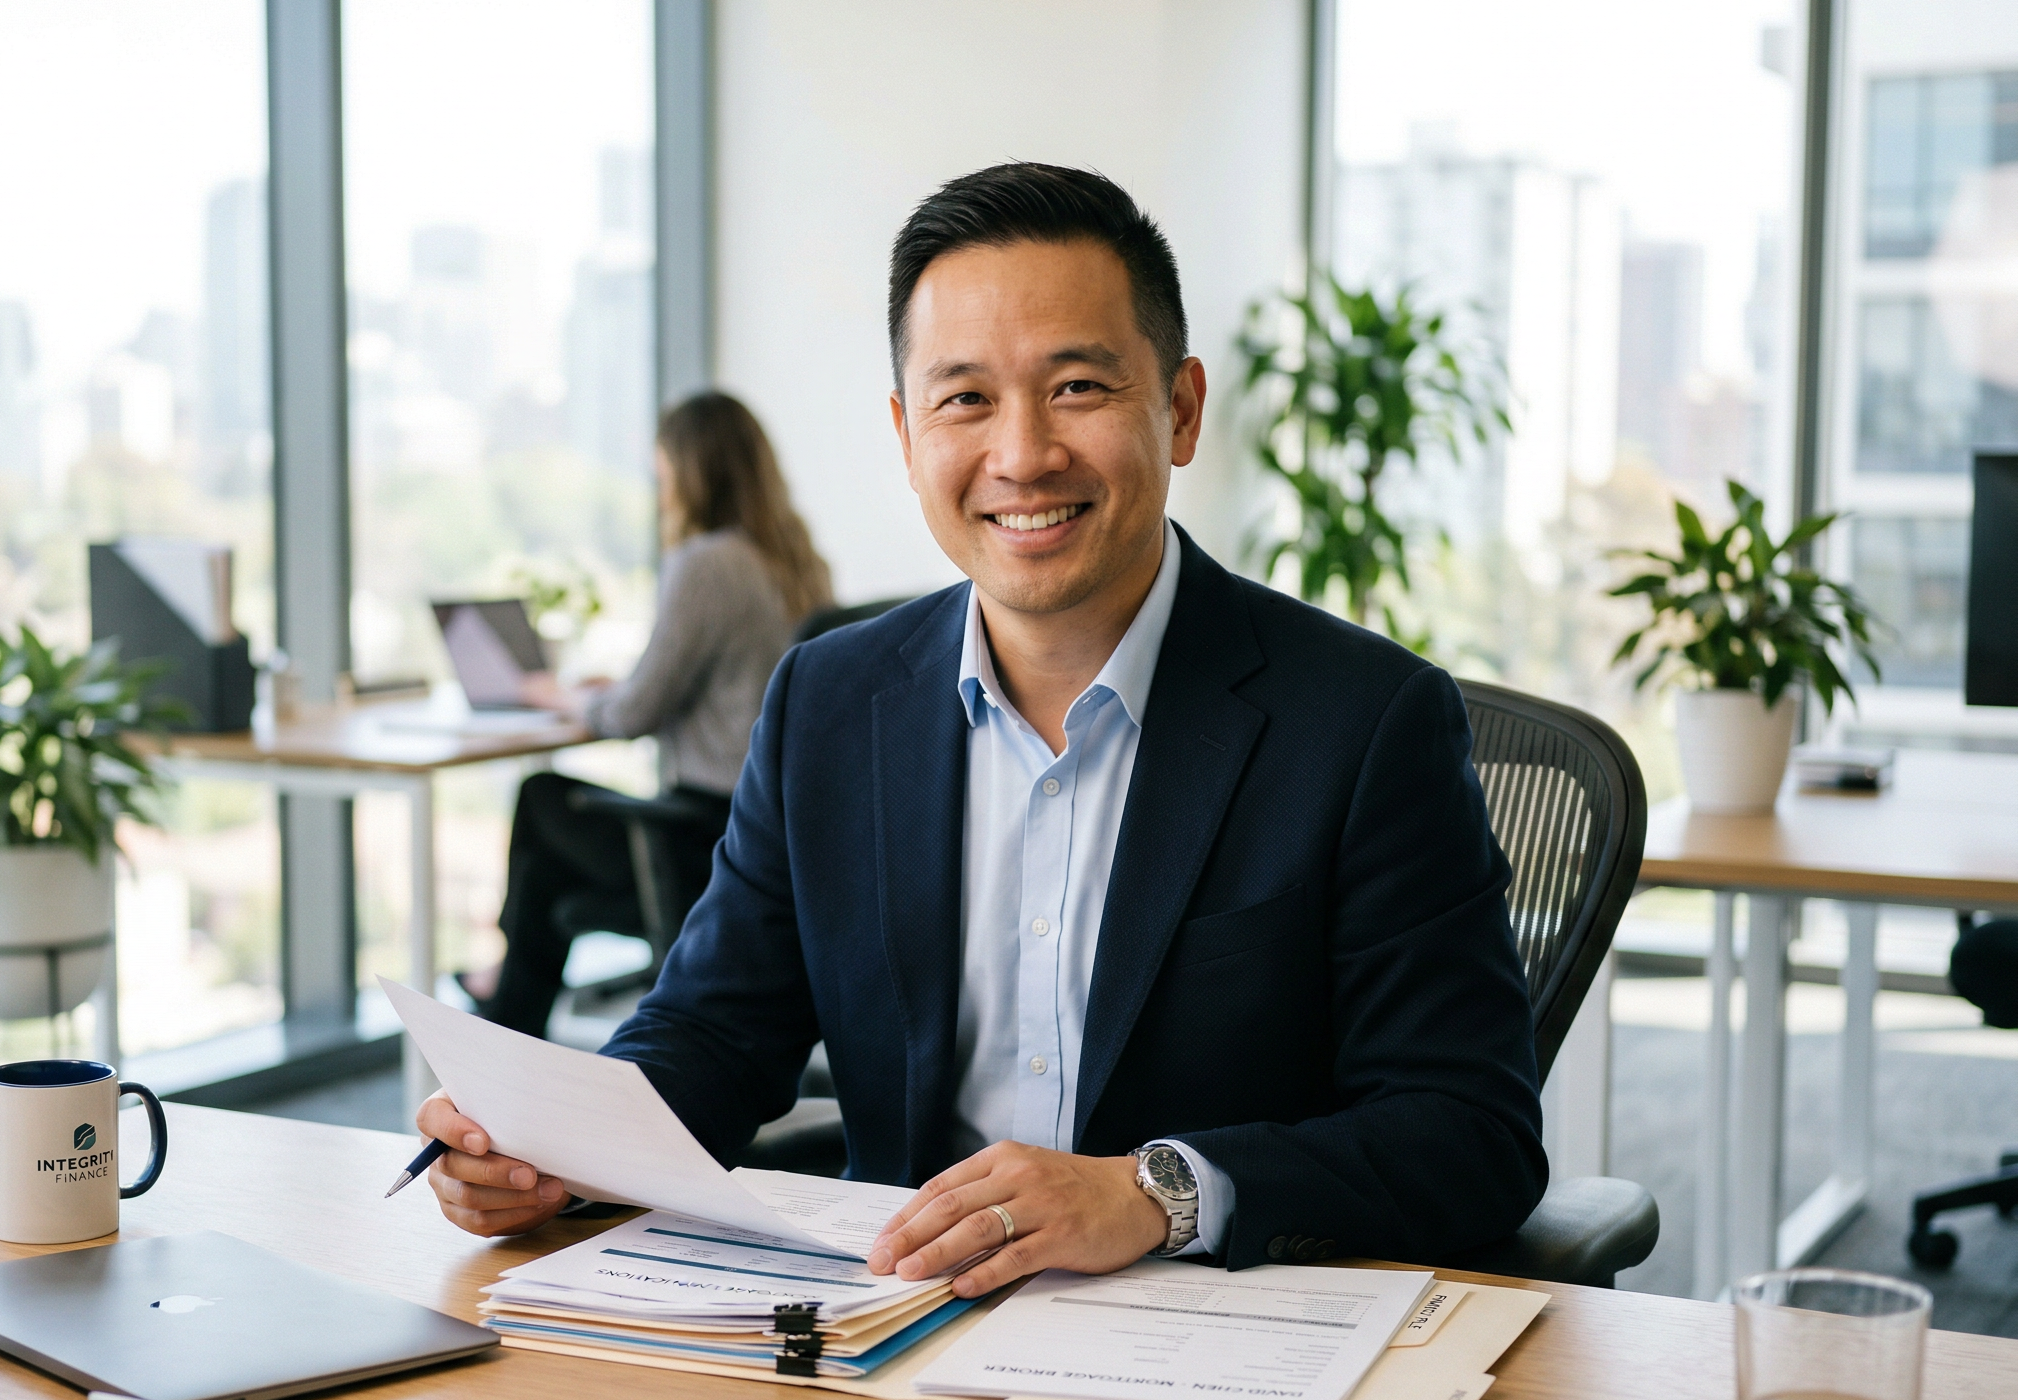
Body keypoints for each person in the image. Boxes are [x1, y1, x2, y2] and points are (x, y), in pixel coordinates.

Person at [420, 163, 1544, 1299]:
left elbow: (1471, 1132)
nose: (1022, 456)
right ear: (908, 434)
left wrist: (1155, 1192)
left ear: (1183, 408)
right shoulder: (829, 701)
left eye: (1077, 389)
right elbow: (712, 1034)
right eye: (965, 400)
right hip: (891, 1328)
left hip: (1211, 1343)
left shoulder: (1361, 721)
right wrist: (557, 1150)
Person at [458, 392, 833, 1040]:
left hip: (706, 839)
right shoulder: (795, 563)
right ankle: (507, 1018)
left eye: (662, 475)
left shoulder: (708, 561)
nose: (660, 493)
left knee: (543, 797)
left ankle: (504, 1020)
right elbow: (707, 682)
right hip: (784, 836)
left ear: (689, 474)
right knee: (546, 878)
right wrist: (614, 685)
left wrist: (558, 693)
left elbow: (634, 713)